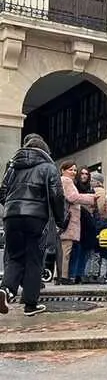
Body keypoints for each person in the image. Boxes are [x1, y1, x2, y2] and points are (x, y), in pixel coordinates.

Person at [0, 134, 65, 316]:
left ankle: (5, 290)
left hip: (11, 216)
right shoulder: (49, 167)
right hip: (36, 218)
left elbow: (2, 191)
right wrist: (60, 219)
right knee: (35, 259)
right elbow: (57, 195)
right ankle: (30, 304)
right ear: (44, 150)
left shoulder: (13, 167)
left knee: (14, 257)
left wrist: (13, 207)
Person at [59, 162, 97, 284]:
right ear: (63, 170)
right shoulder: (67, 181)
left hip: (67, 219)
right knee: (67, 249)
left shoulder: (63, 181)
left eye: (75, 170)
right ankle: (64, 277)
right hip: (70, 220)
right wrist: (91, 198)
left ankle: (60, 276)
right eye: (71, 170)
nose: (74, 172)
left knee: (64, 249)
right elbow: (72, 197)